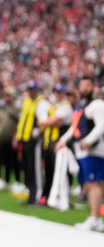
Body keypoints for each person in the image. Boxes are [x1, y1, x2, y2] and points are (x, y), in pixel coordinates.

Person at [56, 76, 104, 231]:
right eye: (82, 85)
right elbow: (74, 127)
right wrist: (63, 139)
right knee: (88, 184)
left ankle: (95, 217)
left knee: (93, 183)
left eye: (87, 85)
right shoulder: (80, 106)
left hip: (94, 150)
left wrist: (89, 140)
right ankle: (93, 216)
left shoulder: (96, 104)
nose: (84, 88)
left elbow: (102, 124)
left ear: (93, 87)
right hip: (82, 150)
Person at [38, 83, 72, 207]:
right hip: (48, 143)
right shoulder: (53, 107)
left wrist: (47, 121)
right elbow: (42, 122)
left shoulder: (66, 106)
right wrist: (48, 122)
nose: (58, 94)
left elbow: (54, 121)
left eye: (60, 92)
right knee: (48, 171)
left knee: (61, 172)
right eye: (56, 92)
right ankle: (47, 196)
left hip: (60, 143)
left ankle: (62, 197)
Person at [14, 81, 48, 205]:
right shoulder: (27, 102)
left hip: (35, 141)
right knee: (28, 168)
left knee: (35, 169)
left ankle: (37, 196)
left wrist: (39, 133)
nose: (32, 92)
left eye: (33, 90)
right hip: (25, 139)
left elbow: (43, 121)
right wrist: (18, 136)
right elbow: (22, 120)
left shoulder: (41, 103)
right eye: (30, 89)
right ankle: (31, 194)